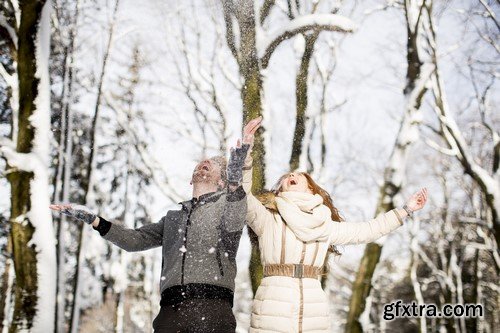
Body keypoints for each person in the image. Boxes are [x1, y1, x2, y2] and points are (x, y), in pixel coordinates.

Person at [241, 116, 428, 333]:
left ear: (311, 189)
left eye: (300, 176)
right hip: (272, 311)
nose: (292, 175)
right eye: (288, 176)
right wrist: (245, 152)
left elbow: (367, 230)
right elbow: (241, 195)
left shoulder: (325, 226)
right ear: (281, 189)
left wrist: (405, 210)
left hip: (314, 313)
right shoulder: (267, 219)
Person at [50, 143, 250, 333]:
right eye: (202, 162)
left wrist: (234, 180)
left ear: (221, 181)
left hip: (212, 307)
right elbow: (135, 240)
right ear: (191, 180)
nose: (205, 162)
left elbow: (236, 211)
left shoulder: (226, 209)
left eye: (213, 165)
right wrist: (95, 220)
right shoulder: (173, 218)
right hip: (171, 310)